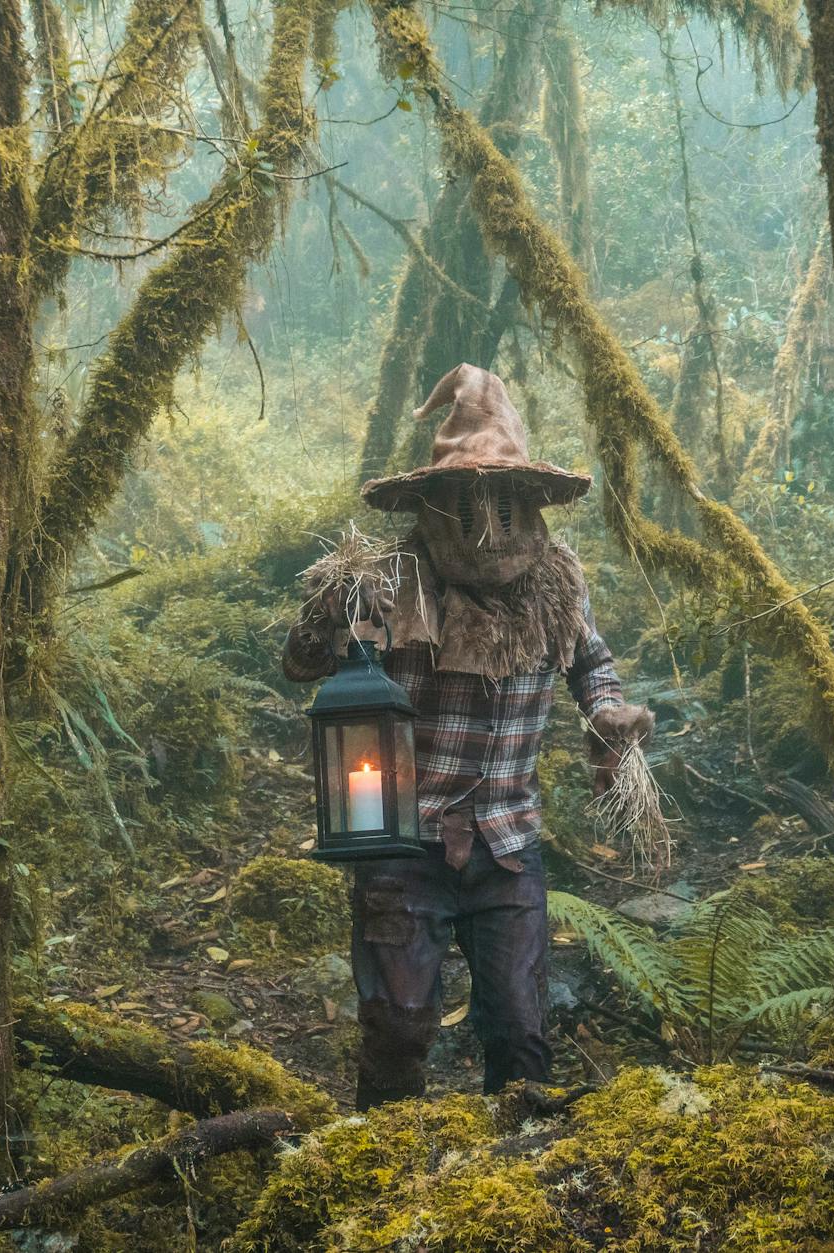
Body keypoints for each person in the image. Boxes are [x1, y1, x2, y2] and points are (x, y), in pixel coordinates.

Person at [282, 362, 653, 1109]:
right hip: (403, 844)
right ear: (437, 500)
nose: (488, 518)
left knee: (520, 1032)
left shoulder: (559, 582)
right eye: (468, 497)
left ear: (527, 499)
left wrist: (608, 712)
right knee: (397, 1028)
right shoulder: (391, 579)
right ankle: (381, 1182)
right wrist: (328, 613)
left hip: (508, 844)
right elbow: (303, 665)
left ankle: (518, 1180)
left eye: (504, 498)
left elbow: (592, 663)